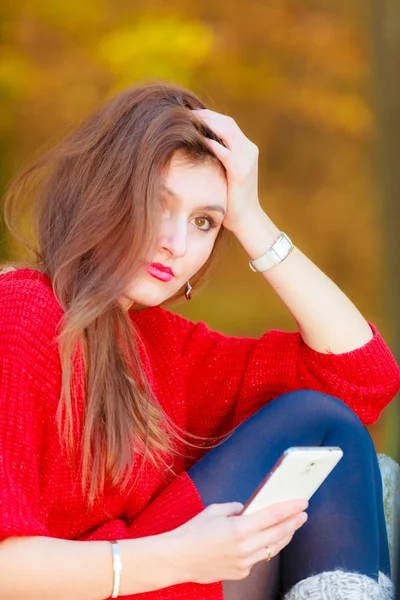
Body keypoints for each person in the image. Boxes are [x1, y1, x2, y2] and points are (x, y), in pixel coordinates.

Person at [0, 81, 399, 600]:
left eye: (205, 221)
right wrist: (180, 556)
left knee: (323, 422)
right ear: (103, 192)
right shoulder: (23, 312)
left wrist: (251, 219)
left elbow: (362, 378)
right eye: (157, 204)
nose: (177, 242)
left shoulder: (162, 343)